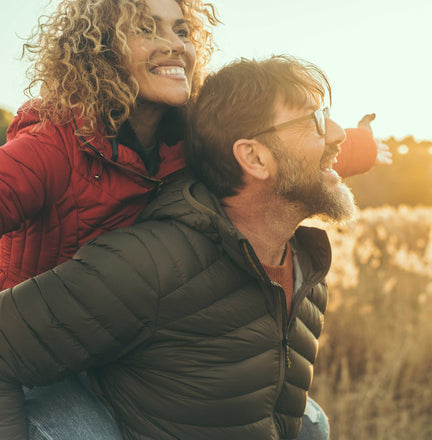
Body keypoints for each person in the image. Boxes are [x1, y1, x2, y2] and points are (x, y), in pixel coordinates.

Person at [0, 54, 357, 440]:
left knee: (311, 425)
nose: (338, 132)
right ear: (254, 157)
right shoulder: (149, 265)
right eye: (314, 120)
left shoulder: (307, 269)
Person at [0, 0, 381, 291]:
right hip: (27, 356)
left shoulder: (190, 138)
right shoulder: (54, 144)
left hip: (118, 357)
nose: (174, 45)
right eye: (148, 30)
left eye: (182, 32)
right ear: (101, 50)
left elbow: (284, 157)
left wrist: (362, 147)